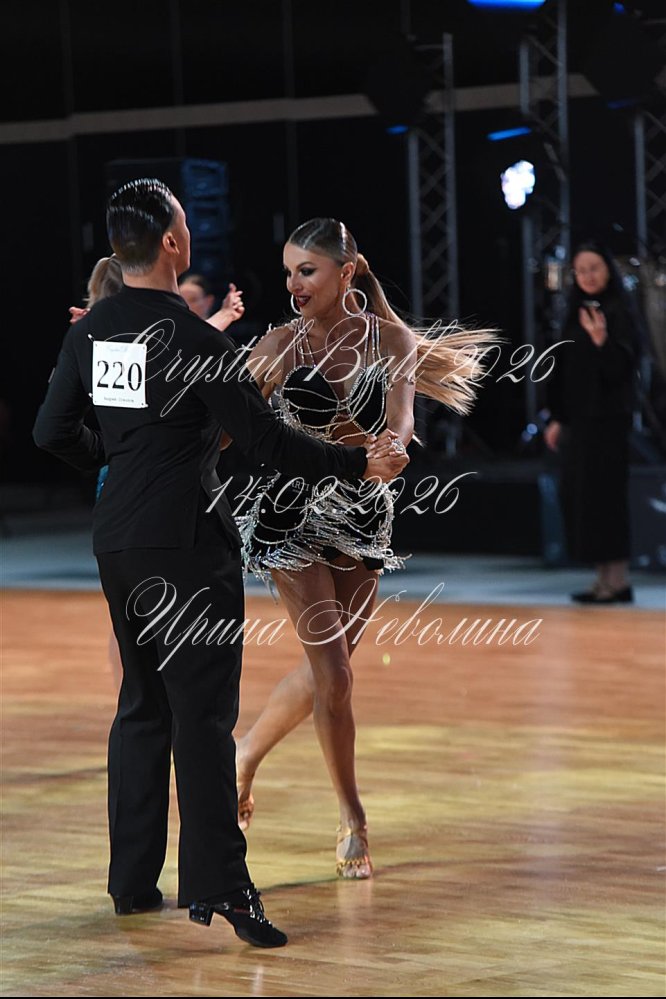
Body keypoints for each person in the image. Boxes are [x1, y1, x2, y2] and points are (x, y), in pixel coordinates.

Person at [32, 182, 405, 948]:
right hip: (186, 545)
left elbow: (50, 431)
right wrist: (355, 463)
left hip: (117, 539)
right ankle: (224, 889)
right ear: (172, 242)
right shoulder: (195, 340)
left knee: (141, 707)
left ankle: (132, 882)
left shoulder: (94, 332)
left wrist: (118, 457)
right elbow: (268, 443)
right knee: (202, 720)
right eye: (185, 223)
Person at [232, 217, 495, 878]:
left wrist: (393, 449)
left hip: (362, 513)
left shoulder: (391, 340)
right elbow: (227, 422)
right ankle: (353, 816)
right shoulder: (277, 344)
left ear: (346, 273)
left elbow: (400, 422)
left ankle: (244, 754)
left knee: (334, 671)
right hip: (290, 514)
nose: (293, 284)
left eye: (307, 271)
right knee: (337, 675)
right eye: (288, 271)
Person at [544, 241, 640, 603]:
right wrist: (558, 417)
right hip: (579, 420)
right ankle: (603, 579)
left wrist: (602, 341)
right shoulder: (574, 310)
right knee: (584, 498)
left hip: (609, 420)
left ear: (608, 272)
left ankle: (618, 580)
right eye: (581, 270)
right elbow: (563, 369)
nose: (587, 276)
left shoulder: (620, 311)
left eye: (594, 268)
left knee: (607, 498)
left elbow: (624, 370)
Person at [178, 272, 245, 332]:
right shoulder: (173, 331)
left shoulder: (227, 333)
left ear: (209, 301)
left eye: (193, 300)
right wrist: (226, 313)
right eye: (181, 300)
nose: (186, 305)